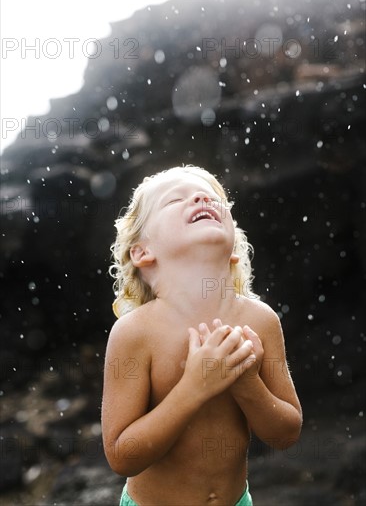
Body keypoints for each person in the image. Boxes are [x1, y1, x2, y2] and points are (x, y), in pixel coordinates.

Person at [102, 165, 302, 506]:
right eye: (175, 200)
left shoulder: (260, 320)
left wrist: (247, 383)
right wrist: (194, 388)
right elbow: (123, 455)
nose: (200, 198)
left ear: (233, 248)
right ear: (142, 252)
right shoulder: (136, 332)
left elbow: (286, 434)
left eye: (212, 199)